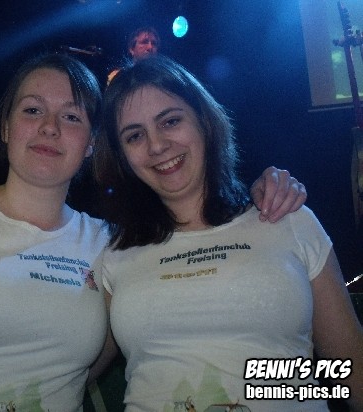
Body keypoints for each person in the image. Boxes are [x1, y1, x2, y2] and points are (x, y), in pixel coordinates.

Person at [0, 53, 305, 411]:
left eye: (71, 116)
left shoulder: (113, 244)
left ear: (92, 144)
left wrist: (260, 191)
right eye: (32, 110)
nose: (50, 127)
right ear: (6, 127)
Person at [94, 55, 363, 411]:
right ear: (122, 156)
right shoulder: (112, 250)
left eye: (171, 121)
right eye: (134, 136)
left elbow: (351, 369)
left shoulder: (288, 220)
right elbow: (65, 367)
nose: (157, 145)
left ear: (204, 121)